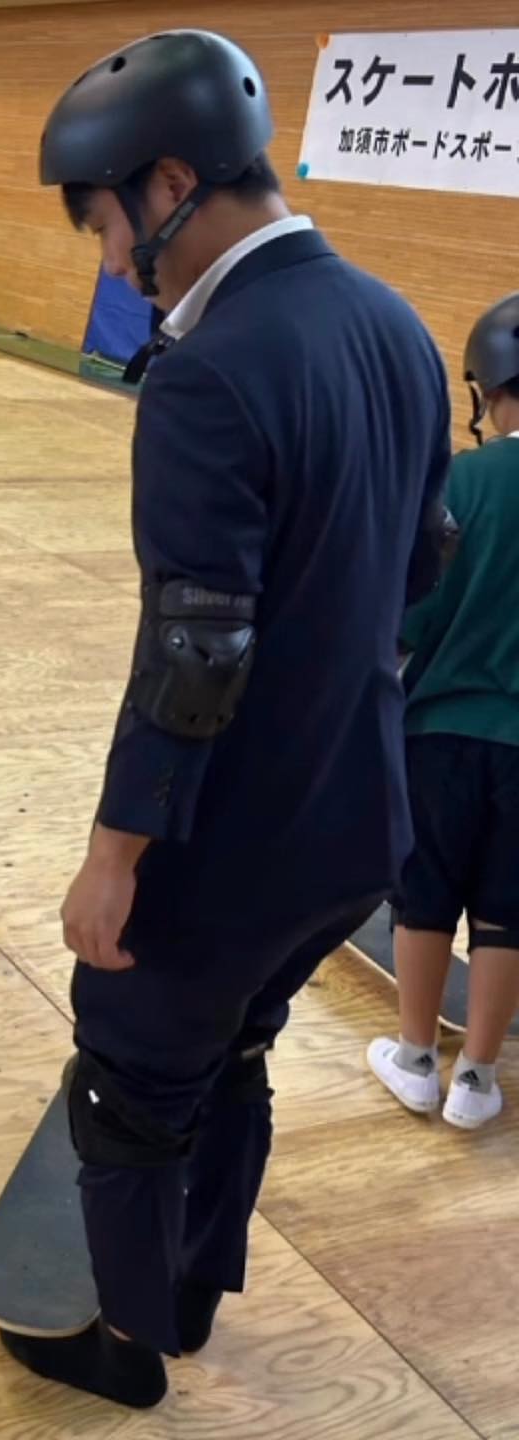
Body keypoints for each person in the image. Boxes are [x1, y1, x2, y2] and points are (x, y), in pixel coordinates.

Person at [3, 30, 453, 1409]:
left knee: (129, 1079)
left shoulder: (209, 370)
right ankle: (194, 1285)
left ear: (171, 183)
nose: (109, 264)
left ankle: (128, 1342)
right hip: (362, 821)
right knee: (237, 1046)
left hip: (233, 839)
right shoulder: (394, 323)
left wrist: (116, 856)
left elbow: (195, 654)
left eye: (102, 225)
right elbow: (423, 562)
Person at [368, 292, 519, 1131]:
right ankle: (479, 1080)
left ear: (486, 391)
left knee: (423, 894)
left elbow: (407, 616)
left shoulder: (461, 482)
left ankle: (418, 1059)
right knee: (508, 909)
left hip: (438, 732)